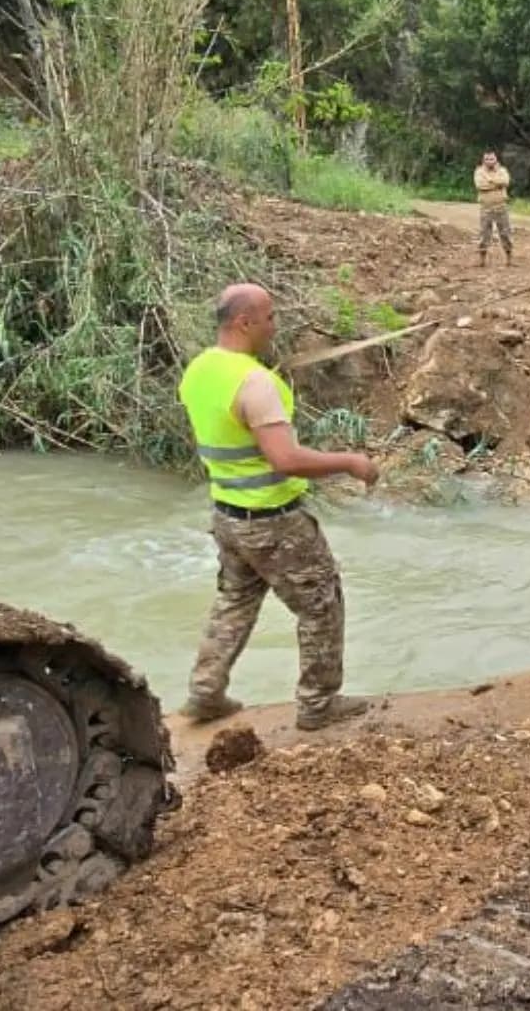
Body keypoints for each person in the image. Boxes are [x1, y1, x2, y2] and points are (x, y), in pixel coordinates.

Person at [176, 282, 379, 731]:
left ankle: (205, 693)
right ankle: (318, 705)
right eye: (269, 317)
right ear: (244, 322)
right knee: (321, 604)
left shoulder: (200, 370)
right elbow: (285, 459)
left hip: (227, 516)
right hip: (273, 521)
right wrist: (351, 462)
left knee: (235, 601)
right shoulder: (256, 384)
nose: (275, 325)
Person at [473, 150, 512, 267]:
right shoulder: (479, 171)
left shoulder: (502, 170)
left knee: (505, 233)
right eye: (487, 159)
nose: (489, 161)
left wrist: (490, 180)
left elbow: (505, 181)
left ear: (496, 160)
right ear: (483, 160)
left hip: (501, 206)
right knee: (484, 234)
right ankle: (482, 260)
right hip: (486, 207)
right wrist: (497, 184)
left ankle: (509, 258)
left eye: (492, 159)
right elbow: (480, 185)